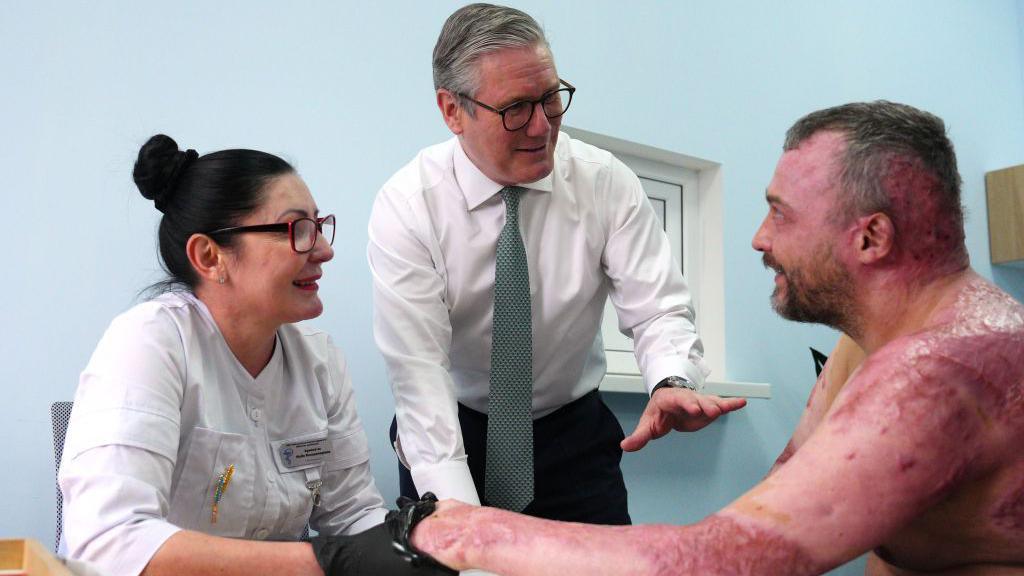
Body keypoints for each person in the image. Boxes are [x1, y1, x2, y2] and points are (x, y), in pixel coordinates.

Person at [394, 101, 1024, 574]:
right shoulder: (870, 343)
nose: (759, 238)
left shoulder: (937, 372)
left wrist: (469, 536)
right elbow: (765, 515)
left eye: (780, 212)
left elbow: (723, 560)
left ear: (869, 239)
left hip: (568, 430)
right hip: (468, 423)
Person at [368, 2, 745, 525]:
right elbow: (419, 377)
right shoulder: (410, 205)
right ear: (452, 110)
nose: (543, 126)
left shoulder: (603, 182)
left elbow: (656, 306)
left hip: (573, 434)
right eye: (516, 108)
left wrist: (672, 379)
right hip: (451, 432)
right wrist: (464, 525)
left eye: (551, 98)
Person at [59, 135, 452, 576]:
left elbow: (351, 517)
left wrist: (415, 546)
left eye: (319, 226)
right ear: (210, 257)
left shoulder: (318, 362)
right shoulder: (148, 344)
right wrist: (328, 561)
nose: (323, 250)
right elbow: (108, 542)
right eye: (297, 230)